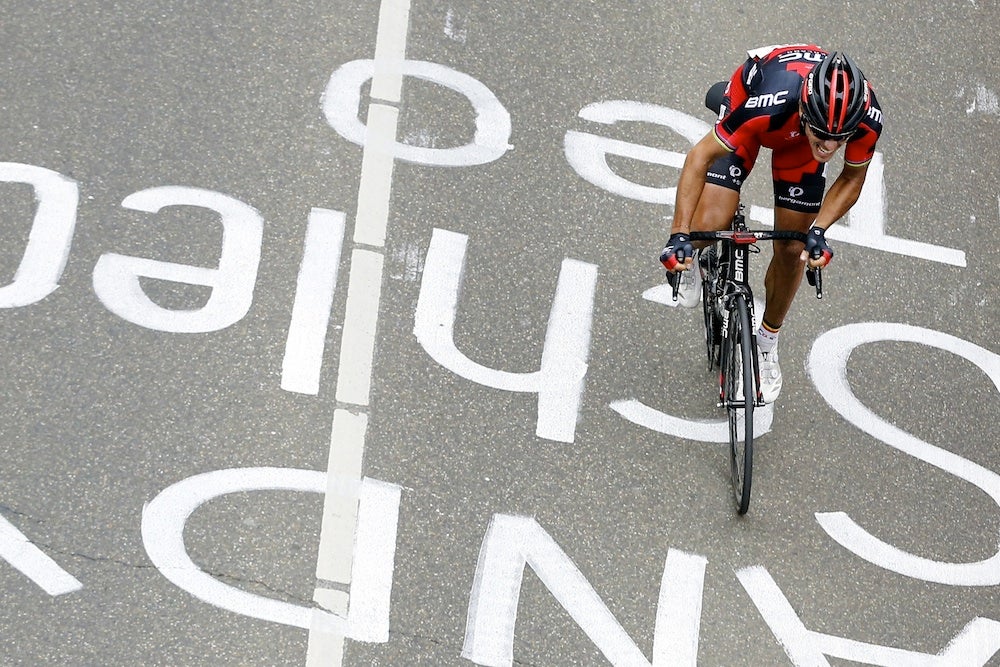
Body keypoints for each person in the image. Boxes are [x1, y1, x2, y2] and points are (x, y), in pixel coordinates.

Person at [659, 44, 883, 403]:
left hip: (794, 144)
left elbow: (852, 177)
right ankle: (695, 259)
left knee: (795, 247)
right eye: (822, 133)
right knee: (712, 219)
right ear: (806, 111)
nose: (828, 146)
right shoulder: (770, 102)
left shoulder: (866, 118)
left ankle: (766, 344)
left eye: (838, 138)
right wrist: (679, 234)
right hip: (756, 113)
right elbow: (699, 156)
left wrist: (819, 231)